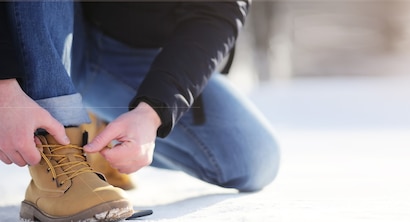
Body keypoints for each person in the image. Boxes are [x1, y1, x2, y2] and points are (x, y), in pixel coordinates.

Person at [0, 1, 280, 221]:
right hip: (35, 30)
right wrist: (4, 89)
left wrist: (153, 111)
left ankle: (95, 130)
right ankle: (58, 154)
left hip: (126, 51)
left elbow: (219, 10)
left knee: (252, 158)